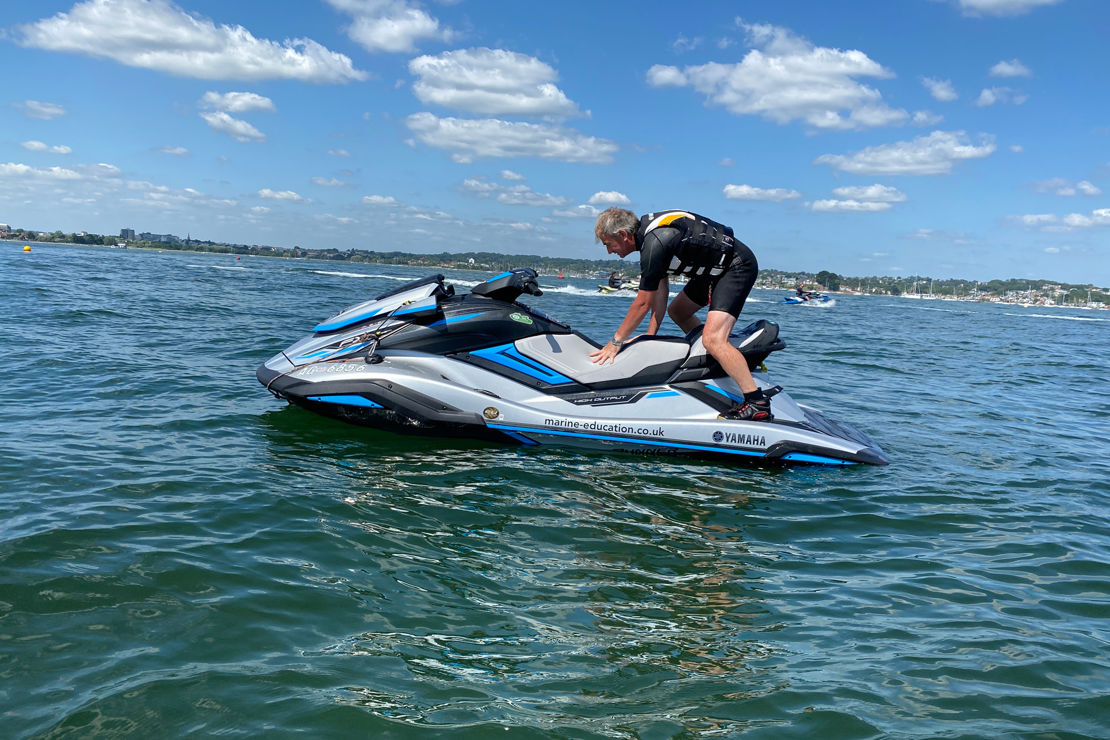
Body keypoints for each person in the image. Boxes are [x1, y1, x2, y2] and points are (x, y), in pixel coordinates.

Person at [590, 208, 774, 421]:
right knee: (678, 311)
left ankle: (756, 402)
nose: (609, 251)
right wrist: (650, 338)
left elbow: (642, 303)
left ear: (623, 235)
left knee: (714, 339)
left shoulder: (655, 243)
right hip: (712, 270)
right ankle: (711, 360)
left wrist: (615, 342)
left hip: (736, 267)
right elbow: (659, 292)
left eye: (607, 244)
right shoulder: (650, 241)